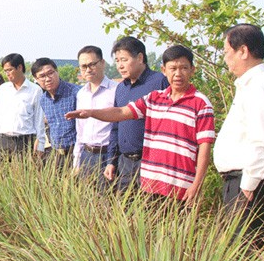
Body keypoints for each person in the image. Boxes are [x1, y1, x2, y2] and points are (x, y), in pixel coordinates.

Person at [67, 45, 215, 204]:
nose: (178, 74)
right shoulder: (154, 98)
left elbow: (204, 148)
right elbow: (121, 113)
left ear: (192, 70)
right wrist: (91, 113)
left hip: (181, 186)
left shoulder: (201, 103)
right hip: (150, 183)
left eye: (183, 68)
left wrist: (196, 184)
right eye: (173, 68)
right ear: (164, 70)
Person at [213, 24, 264, 240]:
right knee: (238, 249)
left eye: (227, 52)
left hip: (249, 180)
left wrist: (247, 186)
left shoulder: (259, 86)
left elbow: (259, 141)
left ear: (243, 51)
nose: (225, 59)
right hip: (243, 180)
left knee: (245, 251)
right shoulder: (249, 85)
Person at [105, 36, 169, 192]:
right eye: (117, 60)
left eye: (124, 60)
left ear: (140, 58)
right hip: (124, 163)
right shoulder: (121, 88)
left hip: (151, 161)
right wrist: (111, 161)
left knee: (151, 209)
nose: (120, 65)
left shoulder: (159, 82)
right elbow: (116, 126)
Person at [73, 45, 117, 189]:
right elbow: (80, 130)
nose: (88, 69)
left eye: (92, 64)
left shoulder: (115, 90)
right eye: (83, 66)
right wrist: (77, 161)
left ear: (102, 63)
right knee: (86, 202)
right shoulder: (81, 94)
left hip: (107, 155)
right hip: (86, 155)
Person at [0, 53, 46, 157]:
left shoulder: (35, 90)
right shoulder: (3, 89)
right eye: (5, 71)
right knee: (0, 172)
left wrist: (41, 144)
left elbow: (39, 119)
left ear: (20, 67)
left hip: (24, 141)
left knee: (24, 172)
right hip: (3, 140)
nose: (7, 74)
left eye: (10, 70)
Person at [32, 57, 78, 168]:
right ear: (36, 79)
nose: (47, 79)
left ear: (57, 72)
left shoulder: (76, 93)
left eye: (50, 73)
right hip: (56, 155)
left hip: (76, 154)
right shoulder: (43, 99)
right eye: (42, 76)